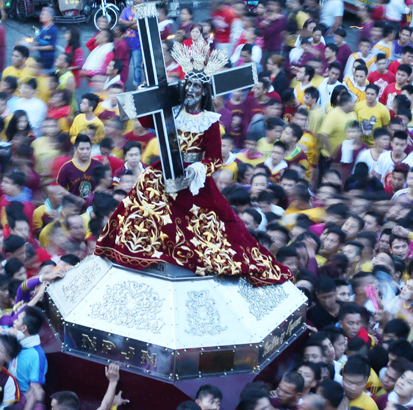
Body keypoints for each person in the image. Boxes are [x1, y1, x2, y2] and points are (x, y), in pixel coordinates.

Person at [95, 39, 292, 285]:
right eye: (188, 85)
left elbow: (214, 159)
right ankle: (137, 247)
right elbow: (147, 123)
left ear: (204, 91)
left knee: (209, 226)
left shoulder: (210, 121)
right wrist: (148, 93)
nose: (190, 91)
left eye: (197, 87)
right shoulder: (172, 111)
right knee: (145, 188)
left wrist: (197, 169)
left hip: (194, 177)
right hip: (167, 167)